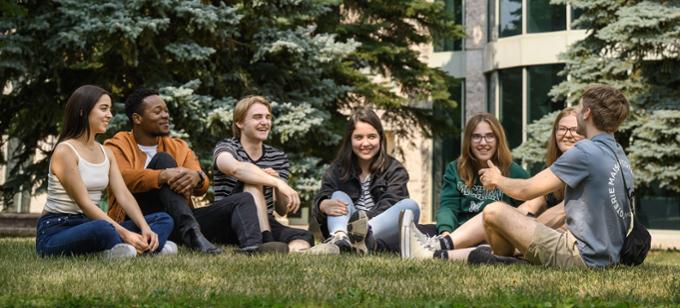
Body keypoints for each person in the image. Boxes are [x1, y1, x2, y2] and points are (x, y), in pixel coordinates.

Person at [105, 89, 281, 255]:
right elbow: (123, 178)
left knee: (243, 199)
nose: (165, 115)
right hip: (143, 221)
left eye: (166, 111)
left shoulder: (178, 146)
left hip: (179, 217)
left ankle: (252, 246)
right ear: (137, 118)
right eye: (157, 111)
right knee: (163, 160)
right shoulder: (117, 144)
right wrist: (162, 175)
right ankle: (191, 233)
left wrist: (196, 178)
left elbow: (203, 184)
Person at [476, 84, 633, 268]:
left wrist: (496, 178)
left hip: (580, 256)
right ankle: (510, 257)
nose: (576, 112)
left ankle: (505, 260)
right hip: (608, 258)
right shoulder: (618, 154)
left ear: (587, 113)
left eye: (578, 107)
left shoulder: (586, 151)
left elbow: (526, 190)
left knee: (493, 212)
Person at [401, 107, 584, 262]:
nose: (483, 142)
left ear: (498, 140)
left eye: (489, 136)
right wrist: (446, 231)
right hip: (463, 230)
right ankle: (434, 248)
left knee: (493, 220)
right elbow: (530, 204)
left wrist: (516, 225)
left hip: (558, 242)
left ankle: (434, 251)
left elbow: (536, 196)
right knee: (487, 220)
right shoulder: (554, 168)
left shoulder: (517, 171)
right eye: (562, 129)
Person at [36, 85, 174, 258]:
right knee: (103, 228)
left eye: (110, 109)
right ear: (82, 112)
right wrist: (125, 233)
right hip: (57, 230)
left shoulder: (106, 152)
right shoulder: (65, 151)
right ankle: (147, 249)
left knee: (163, 219)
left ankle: (134, 248)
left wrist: (145, 227)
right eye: (103, 109)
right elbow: (85, 204)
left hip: (91, 223)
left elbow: (123, 194)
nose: (110, 115)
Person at [310, 108, 421, 254]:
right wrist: (322, 205)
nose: (365, 143)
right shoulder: (337, 169)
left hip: (377, 232)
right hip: (343, 226)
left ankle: (351, 240)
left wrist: (360, 225)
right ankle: (340, 237)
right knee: (338, 195)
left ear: (380, 138)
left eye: (372, 136)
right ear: (350, 139)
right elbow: (324, 194)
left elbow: (390, 204)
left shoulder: (395, 170)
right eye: (359, 137)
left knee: (410, 206)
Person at [213, 95, 313, 252]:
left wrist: (277, 182)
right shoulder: (226, 147)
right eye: (257, 117)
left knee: (302, 235)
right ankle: (264, 242)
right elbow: (235, 168)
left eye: (268, 117)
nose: (265, 122)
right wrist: (274, 181)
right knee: (252, 182)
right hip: (230, 220)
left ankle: (295, 254)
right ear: (239, 123)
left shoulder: (278, 157)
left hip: (265, 220)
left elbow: (282, 210)